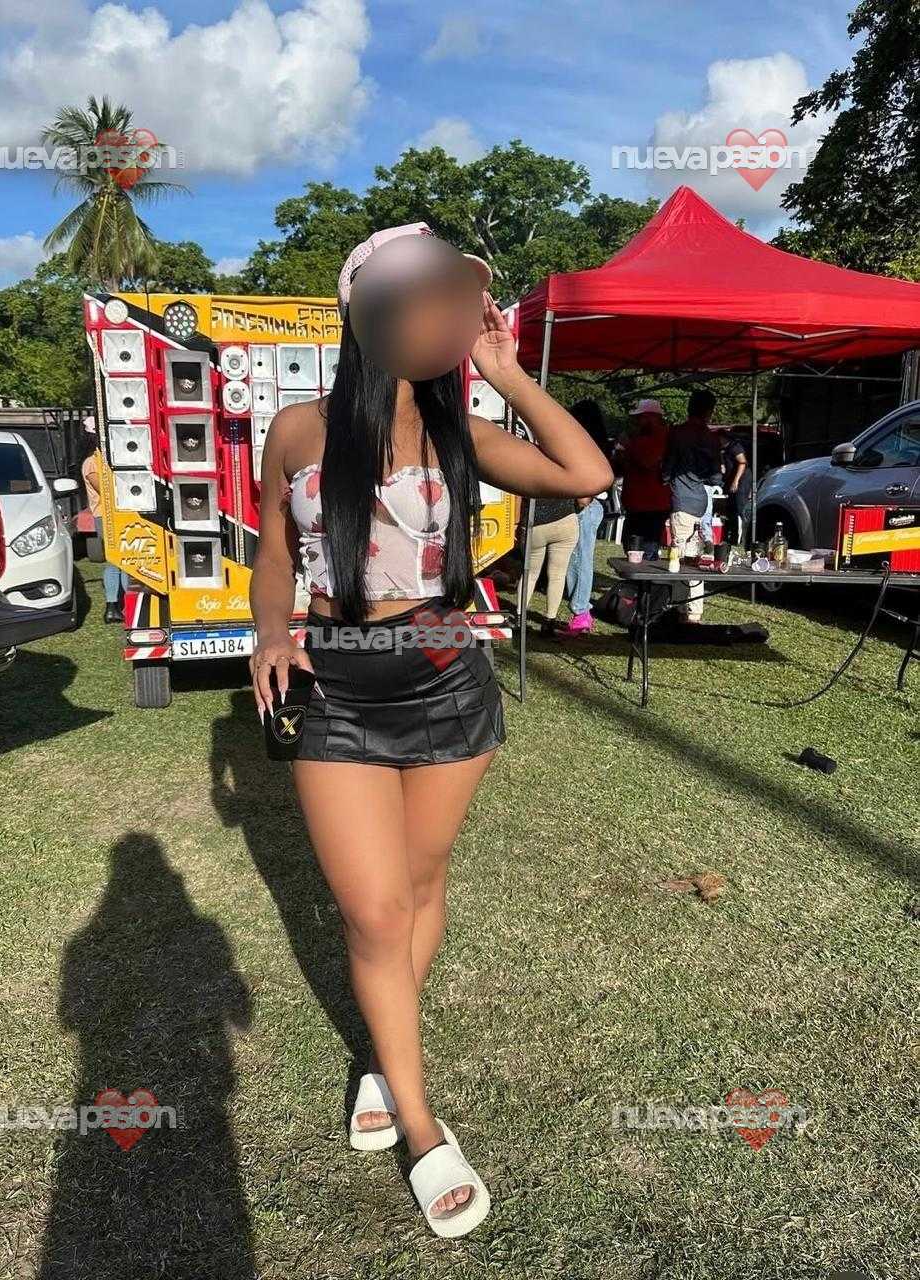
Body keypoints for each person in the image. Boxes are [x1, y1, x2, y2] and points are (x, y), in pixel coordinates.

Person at [249, 224, 613, 1238]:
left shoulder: (465, 436)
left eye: (456, 299)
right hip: (338, 682)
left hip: (448, 672)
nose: (444, 315)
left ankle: (382, 1057)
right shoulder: (299, 430)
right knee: (374, 912)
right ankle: (419, 1122)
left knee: (417, 885)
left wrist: (506, 372)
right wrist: (271, 634)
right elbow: (274, 552)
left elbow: (585, 474)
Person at [662, 389, 723, 623]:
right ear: (709, 411)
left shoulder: (677, 433)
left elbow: (667, 467)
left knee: (678, 557)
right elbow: (716, 477)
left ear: (689, 407)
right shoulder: (712, 439)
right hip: (702, 500)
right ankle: (691, 611)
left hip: (682, 499)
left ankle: (684, 611)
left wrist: (666, 479)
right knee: (696, 559)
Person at [560, 399, 612, 636]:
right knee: (579, 558)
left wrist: (581, 498)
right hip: (593, 505)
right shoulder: (600, 445)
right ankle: (581, 611)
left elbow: (584, 492)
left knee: (579, 560)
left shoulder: (583, 444)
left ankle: (581, 612)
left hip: (586, 506)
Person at [80, 418, 130, 623]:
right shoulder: (91, 463)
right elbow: (105, 491)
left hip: (117, 514)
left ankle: (118, 606)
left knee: (121, 561)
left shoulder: (104, 459)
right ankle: (116, 606)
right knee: (119, 561)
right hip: (105, 515)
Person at [615, 399, 671, 557]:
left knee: (646, 550)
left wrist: (627, 446)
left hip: (652, 504)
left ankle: (646, 572)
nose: (637, 421)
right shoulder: (639, 438)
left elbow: (648, 461)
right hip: (637, 502)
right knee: (631, 547)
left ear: (652, 417)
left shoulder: (662, 436)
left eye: (641, 417)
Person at [522, 494, 579, 639]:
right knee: (557, 576)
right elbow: (583, 500)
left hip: (535, 522)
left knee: (530, 574)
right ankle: (549, 622)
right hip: (565, 519)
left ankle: (519, 617)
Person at [719, 429, 754, 546]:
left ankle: (744, 539)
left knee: (740, 507)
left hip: (742, 480)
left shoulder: (735, 447)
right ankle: (733, 539)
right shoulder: (724, 450)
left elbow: (742, 463)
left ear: (724, 438)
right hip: (731, 480)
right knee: (731, 509)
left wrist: (736, 481)